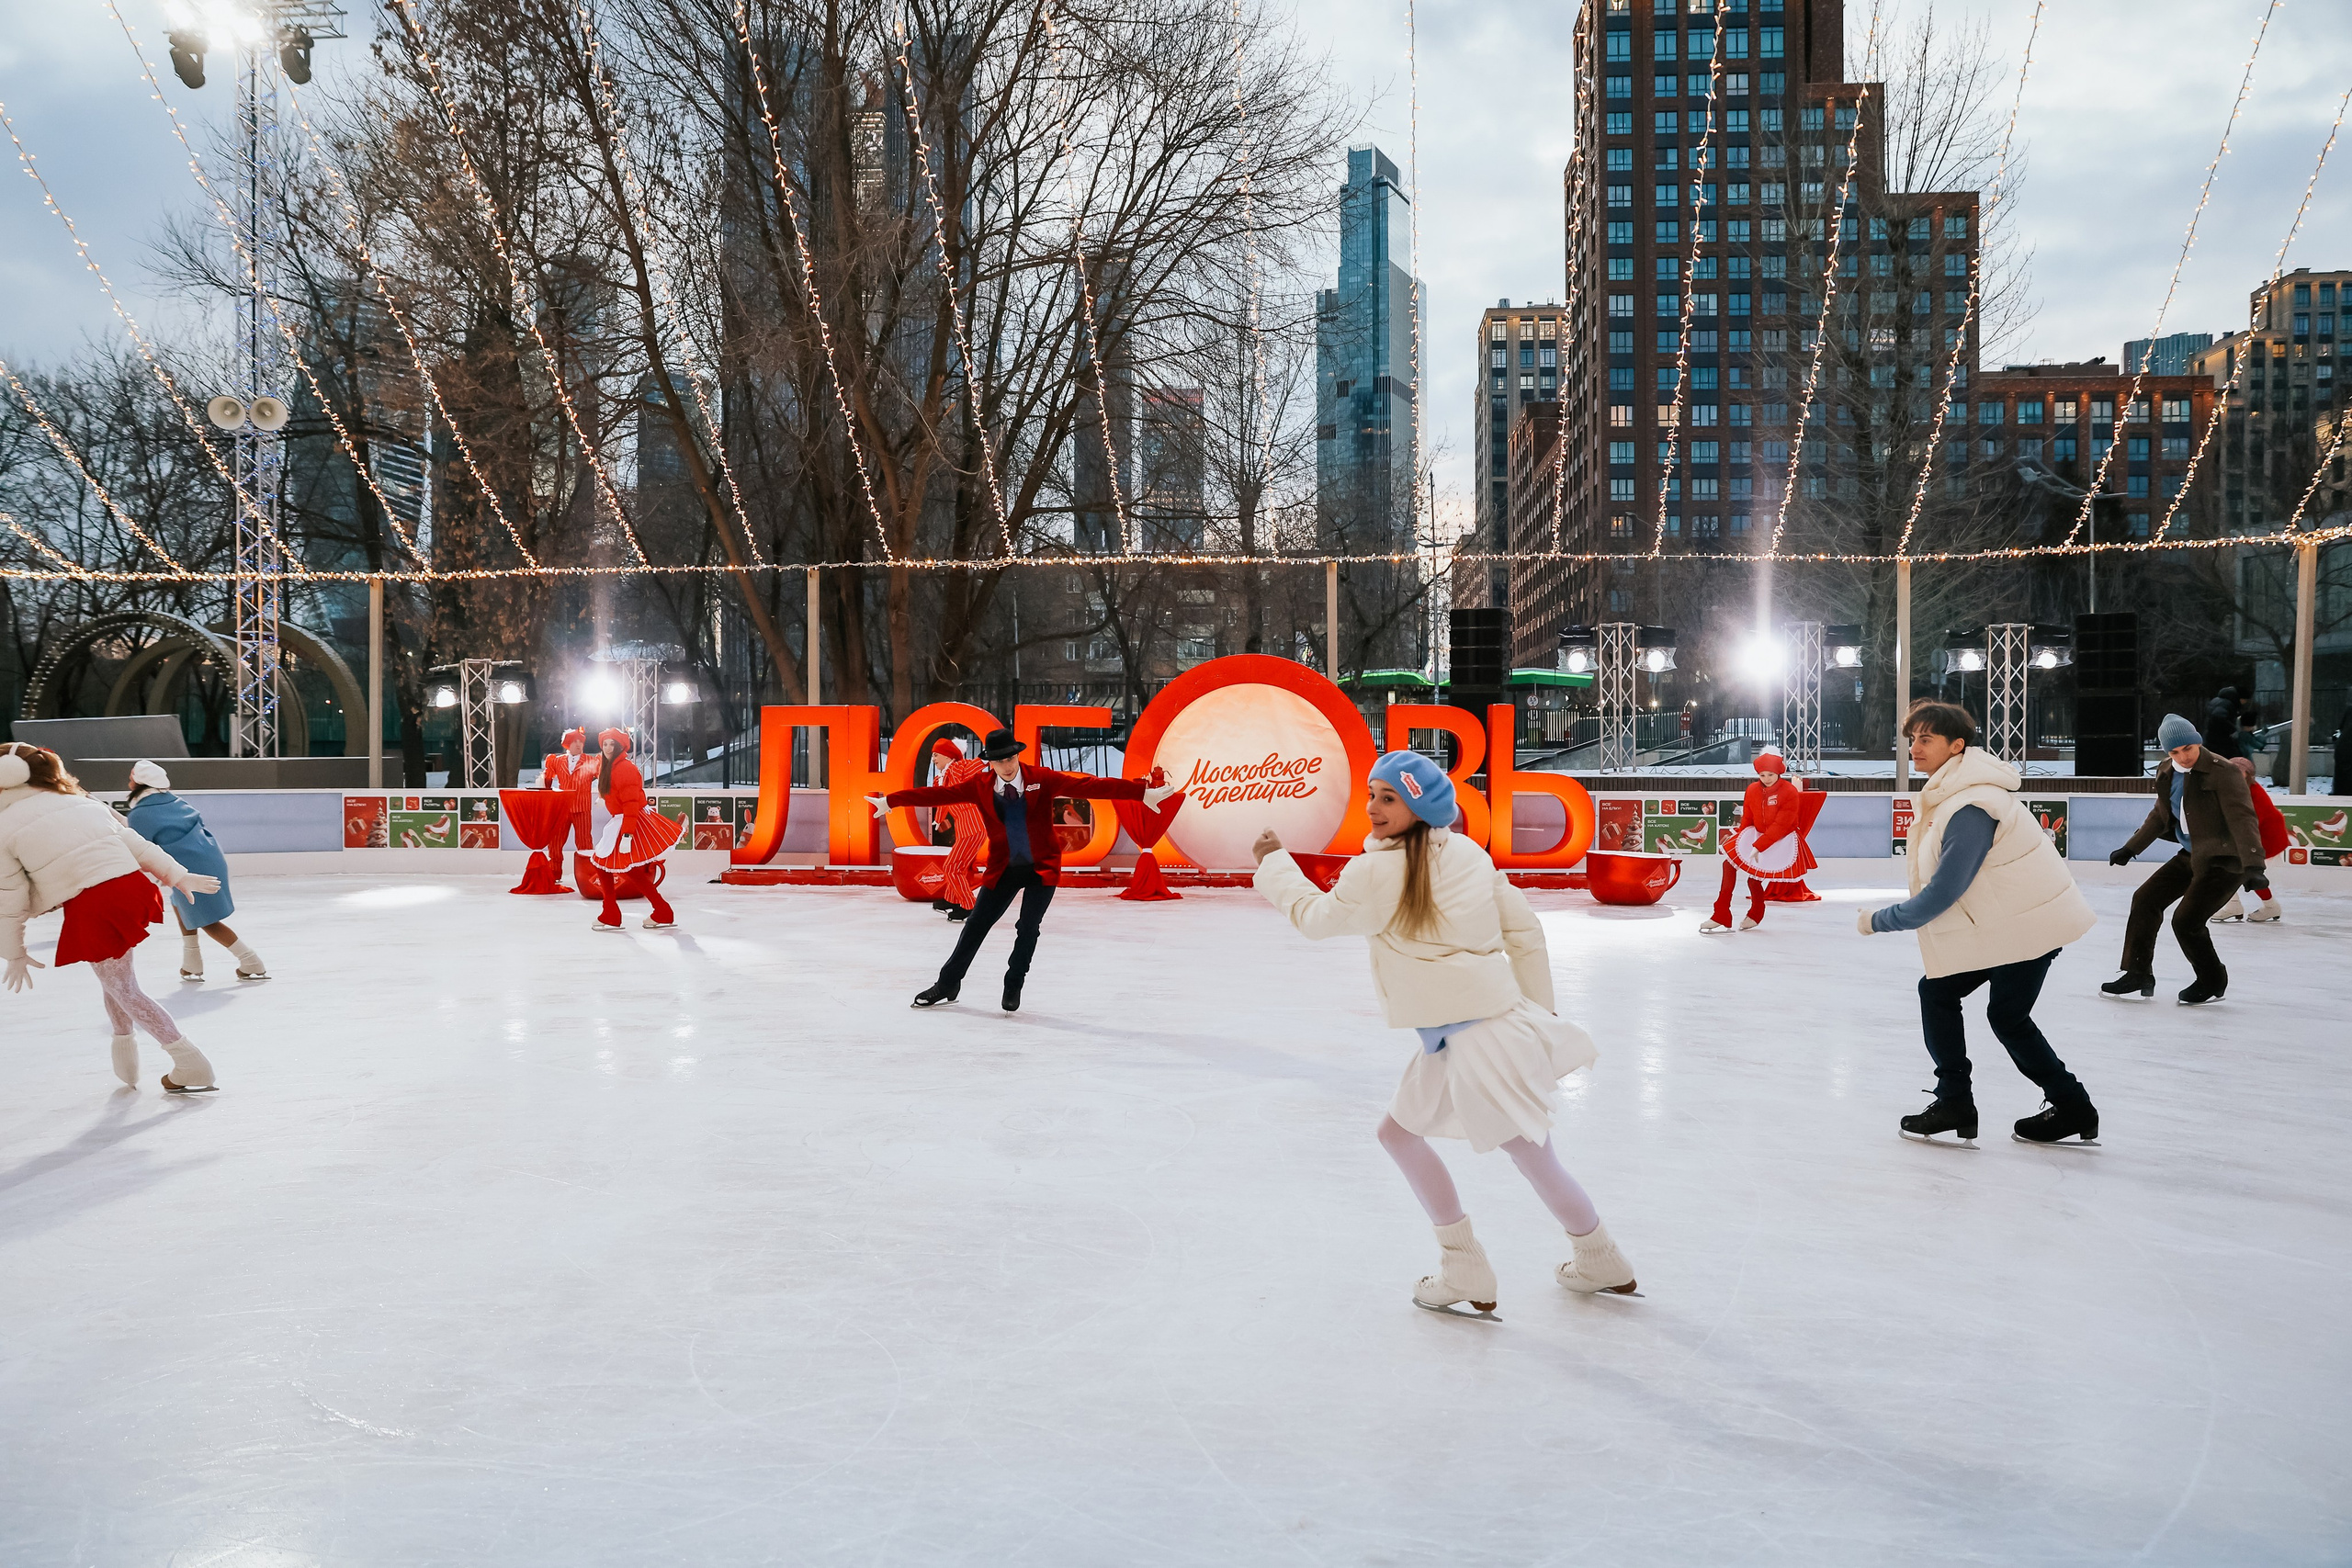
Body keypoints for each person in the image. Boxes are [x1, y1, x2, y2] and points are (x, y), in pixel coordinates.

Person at [1252, 750, 1634, 1316]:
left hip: (1478, 1036)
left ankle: (1489, 1266)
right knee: (1457, 1143)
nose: (1375, 808)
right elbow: (1524, 933)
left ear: (1421, 806)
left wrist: (1274, 863)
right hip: (1482, 1029)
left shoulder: (1377, 871)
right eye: (1374, 794)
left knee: (1510, 1152)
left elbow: (1315, 919)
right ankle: (1577, 1258)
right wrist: (1538, 1019)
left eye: (1390, 798)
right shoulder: (1468, 855)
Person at [1857, 704, 2100, 1147]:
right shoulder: (1955, 796)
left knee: (2005, 1016)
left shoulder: (1973, 805)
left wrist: (1878, 920)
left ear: (1957, 746)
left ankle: (2068, 1106)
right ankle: (1959, 1101)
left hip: (2028, 928)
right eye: (1912, 739)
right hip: (2007, 925)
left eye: (1926, 739)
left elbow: (1943, 891)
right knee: (1942, 992)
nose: (1914, 748)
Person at [872, 728, 1174, 1012]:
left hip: (1041, 868)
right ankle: (947, 984)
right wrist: (892, 801)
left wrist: (1141, 793)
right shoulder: (980, 786)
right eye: (999, 760)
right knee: (976, 925)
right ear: (990, 762)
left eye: (1010, 758)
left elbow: (1089, 785)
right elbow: (936, 796)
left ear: (1017, 756)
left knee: (1028, 927)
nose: (1006, 766)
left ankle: (1013, 983)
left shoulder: (1041, 779)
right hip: (1004, 869)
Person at [0, 741, 224, 1092]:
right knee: (114, 980)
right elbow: (136, 843)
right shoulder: (80, 802)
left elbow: (8, 897)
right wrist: (178, 875)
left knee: (124, 987)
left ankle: (189, 1063)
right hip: (129, 890)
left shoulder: (4, 825)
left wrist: (13, 951)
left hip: (96, 902)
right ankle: (125, 1052)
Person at [2103, 713, 2266, 1005]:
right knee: (2145, 899)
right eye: (2175, 751)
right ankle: (2138, 972)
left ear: (2198, 743)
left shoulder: (2223, 771)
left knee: (2186, 920)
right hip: (2192, 854)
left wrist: (2254, 866)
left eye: (2188, 748)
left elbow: (2243, 818)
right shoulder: (2167, 770)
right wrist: (2131, 848)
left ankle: (2212, 981)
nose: (2183, 756)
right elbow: (2160, 815)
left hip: (2226, 859)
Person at [123, 760, 267, 981]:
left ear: (141, 782)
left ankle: (250, 961)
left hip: (191, 866)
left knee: (207, 919)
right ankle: (192, 962)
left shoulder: (141, 814)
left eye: (132, 776)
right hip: (209, 857)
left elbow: (139, 850)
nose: (129, 780)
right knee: (180, 904)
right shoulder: (178, 803)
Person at [1701, 748, 1816, 931]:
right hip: (1757, 835)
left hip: (1780, 841)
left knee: (1754, 880)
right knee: (1728, 865)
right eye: (1762, 775)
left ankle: (1756, 912)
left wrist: (1759, 846)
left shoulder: (1789, 792)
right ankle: (1721, 912)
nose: (1767, 778)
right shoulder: (1752, 789)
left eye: (1770, 774)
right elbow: (1748, 817)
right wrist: (1739, 839)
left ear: (1779, 772)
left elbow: (1782, 824)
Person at [587, 728, 683, 931]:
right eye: (605, 744)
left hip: (632, 822)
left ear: (620, 746)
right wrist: (604, 799)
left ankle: (613, 913)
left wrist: (627, 835)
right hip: (622, 820)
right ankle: (660, 910)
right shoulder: (609, 766)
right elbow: (616, 793)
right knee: (626, 869)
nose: (607, 748)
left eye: (612, 744)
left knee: (606, 865)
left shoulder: (625, 769)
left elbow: (631, 803)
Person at [2210, 755, 2290, 925]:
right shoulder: (2233, 788)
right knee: (2235, 870)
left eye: (2241, 772)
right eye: (2233, 771)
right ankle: (2258, 906)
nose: (2236, 775)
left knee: (2239, 870)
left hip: (2265, 837)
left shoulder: (2254, 793)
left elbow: (2250, 823)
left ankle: (2250, 906)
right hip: (2253, 837)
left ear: (2249, 775)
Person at [926, 739, 989, 922]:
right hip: (964, 826)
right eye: (932, 755)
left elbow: (973, 767)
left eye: (936, 755)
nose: (933, 759)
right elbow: (942, 801)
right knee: (957, 866)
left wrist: (986, 757)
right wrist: (938, 820)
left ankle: (969, 906)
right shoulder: (940, 778)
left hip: (973, 825)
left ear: (948, 756)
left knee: (952, 867)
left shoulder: (957, 768)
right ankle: (952, 899)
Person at [540, 727, 599, 850]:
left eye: (580, 742)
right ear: (567, 744)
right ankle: (554, 869)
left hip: (582, 808)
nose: (578, 744)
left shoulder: (591, 761)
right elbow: (547, 781)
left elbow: (603, 778)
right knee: (555, 842)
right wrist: (545, 792)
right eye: (574, 741)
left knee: (584, 842)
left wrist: (604, 795)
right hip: (562, 807)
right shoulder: (556, 761)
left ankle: (584, 869)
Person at [2200, 686, 2244, 760]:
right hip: (2221, 739)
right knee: (2234, 758)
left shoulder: (2215, 701)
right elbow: (2218, 716)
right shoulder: (2227, 704)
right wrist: (2232, 730)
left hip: (2210, 738)